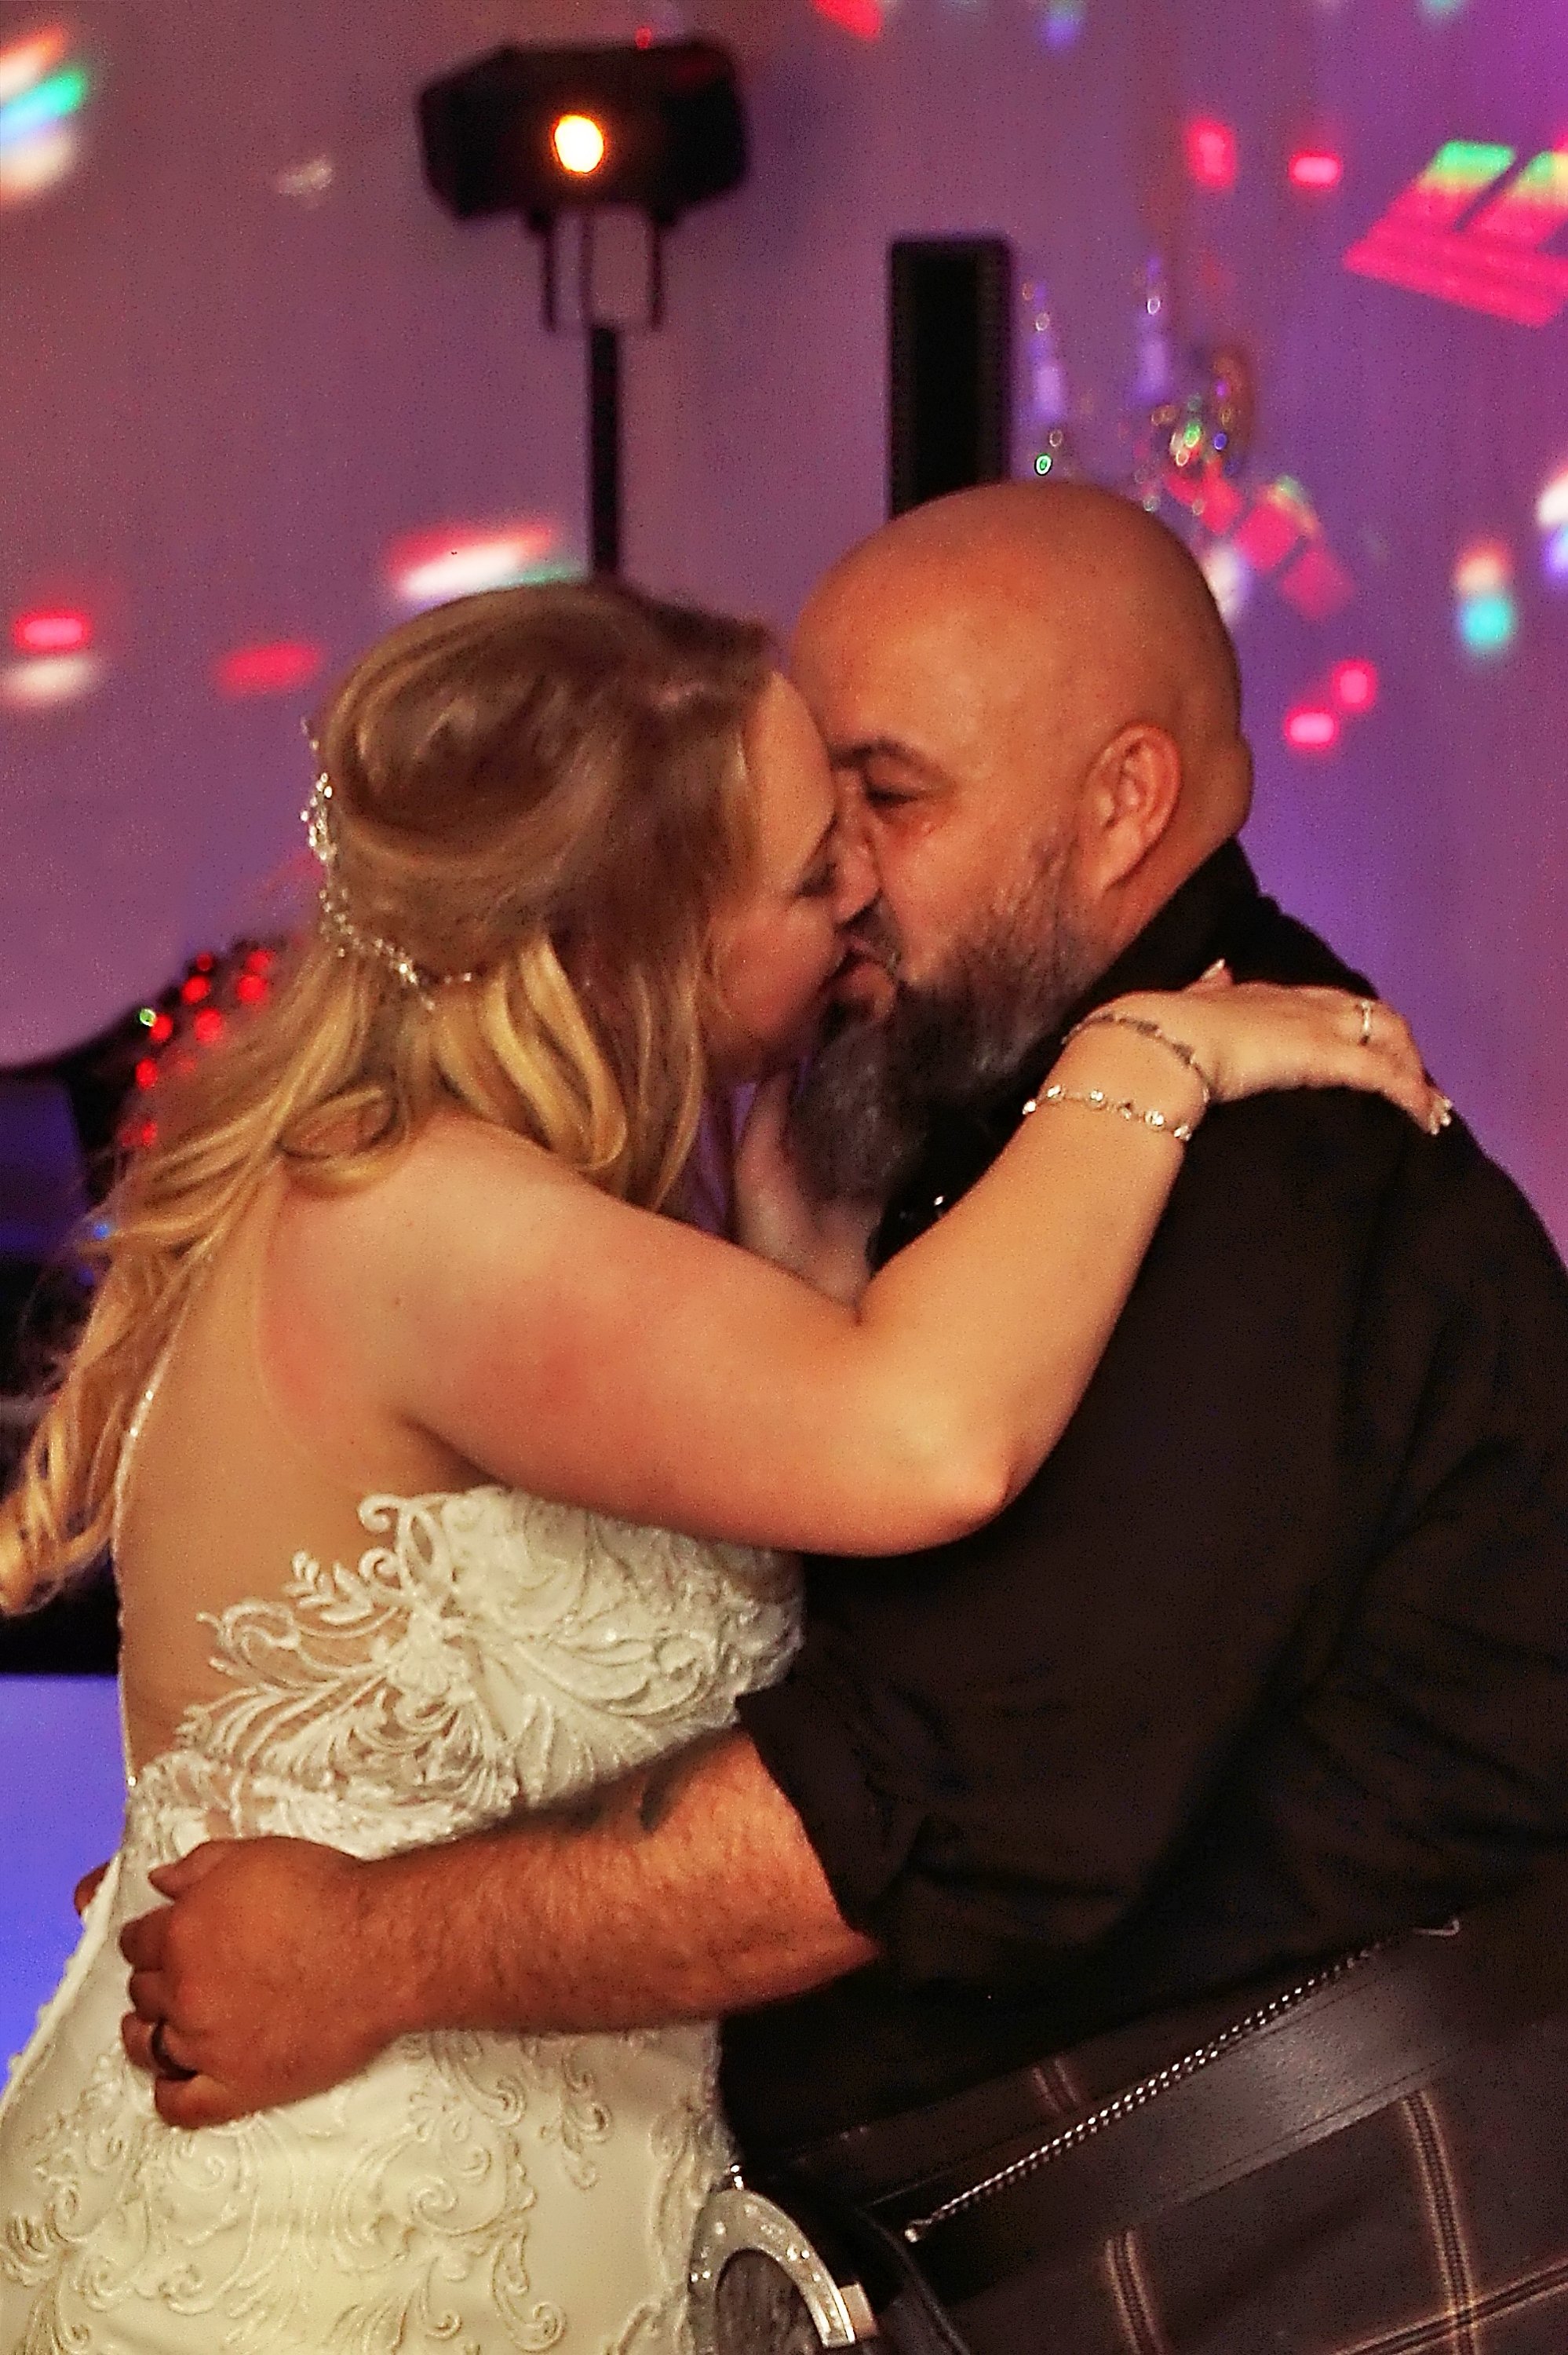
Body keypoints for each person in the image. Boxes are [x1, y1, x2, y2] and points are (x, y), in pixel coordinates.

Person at [0, 569, 1430, 2354]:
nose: (859, 901)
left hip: (547, 2222)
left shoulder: (538, 1202)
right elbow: (926, 1439)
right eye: (813, 869)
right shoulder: (423, 1216)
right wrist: (1150, 1055)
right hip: (335, 2246)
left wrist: (796, 1234)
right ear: (620, 939)